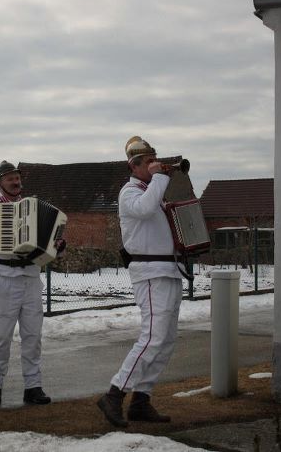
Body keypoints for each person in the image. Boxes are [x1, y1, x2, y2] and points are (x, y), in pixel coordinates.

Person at [97, 136, 184, 427]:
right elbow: (145, 209)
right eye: (149, 161)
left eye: (154, 160)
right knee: (152, 337)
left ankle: (142, 399)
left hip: (167, 268)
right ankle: (114, 393)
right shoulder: (130, 192)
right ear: (135, 166)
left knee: (167, 339)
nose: (155, 165)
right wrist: (160, 178)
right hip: (149, 272)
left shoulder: (153, 190)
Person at [0, 161, 64, 407]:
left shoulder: (31, 207)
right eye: (10, 178)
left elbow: (45, 245)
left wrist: (56, 247)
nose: (15, 181)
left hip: (31, 278)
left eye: (17, 177)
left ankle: (33, 386)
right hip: (4, 278)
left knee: (33, 336)